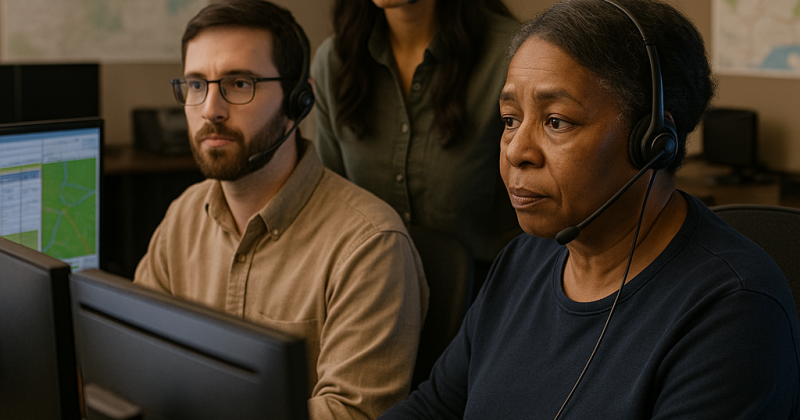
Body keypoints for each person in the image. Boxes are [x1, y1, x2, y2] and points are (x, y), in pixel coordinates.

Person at [379, 0, 800, 418]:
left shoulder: (735, 312)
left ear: (653, 141)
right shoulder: (523, 260)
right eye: (510, 119)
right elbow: (432, 409)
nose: (517, 151)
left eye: (556, 121)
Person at [133, 1, 429, 419]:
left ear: (300, 99)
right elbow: (135, 359)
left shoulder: (370, 245)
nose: (210, 109)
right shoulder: (183, 216)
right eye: (196, 85)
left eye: (239, 84)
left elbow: (349, 413)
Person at [312, 0, 522, 294]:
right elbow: (331, 209)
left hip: (495, 298)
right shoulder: (334, 61)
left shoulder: (514, 57)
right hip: (370, 294)